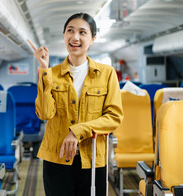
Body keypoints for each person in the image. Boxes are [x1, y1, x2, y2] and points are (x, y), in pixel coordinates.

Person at [27, 12, 123, 196]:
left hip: (93, 157)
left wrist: (77, 131)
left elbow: (114, 118)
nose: (75, 37)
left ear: (92, 39)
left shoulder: (107, 73)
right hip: (57, 157)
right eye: (70, 31)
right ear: (64, 35)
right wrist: (44, 71)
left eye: (82, 32)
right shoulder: (50, 73)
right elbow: (45, 114)